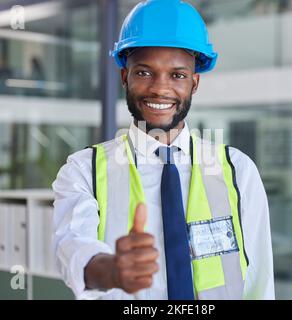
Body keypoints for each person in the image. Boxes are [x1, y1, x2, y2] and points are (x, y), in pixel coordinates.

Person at [52, 0, 275, 300]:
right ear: (124, 78)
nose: (160, 88)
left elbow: (260, 283)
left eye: (177, 75)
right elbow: (73, 248)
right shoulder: (84, 170)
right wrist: (112, 270)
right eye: (144, 72)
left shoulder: (238, 171)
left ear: (194, 83)